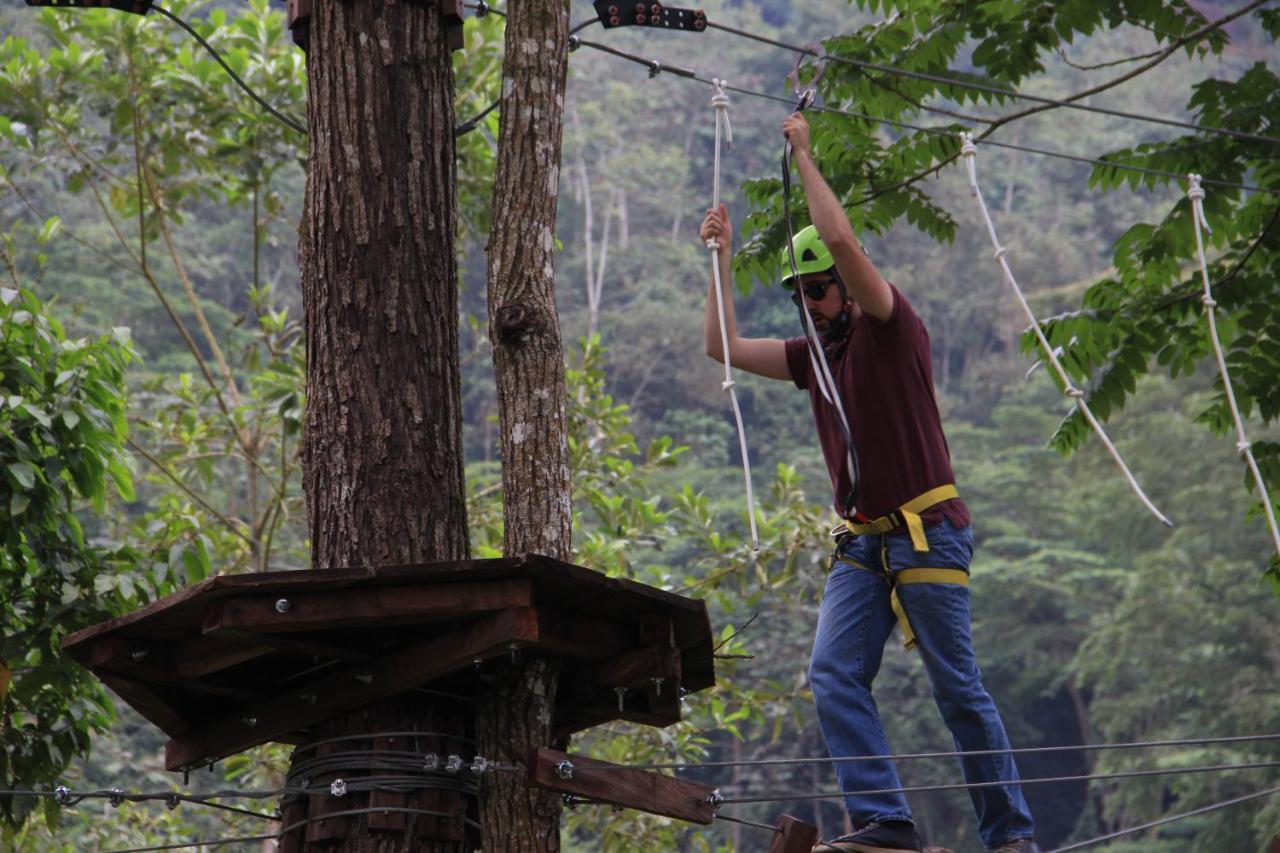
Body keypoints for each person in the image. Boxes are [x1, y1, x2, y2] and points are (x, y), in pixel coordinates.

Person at [698, 112, 1039, 853]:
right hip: (862, 542)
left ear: (846, 289)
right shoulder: (812, 355)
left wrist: (807, 158)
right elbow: (720, 345)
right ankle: (885, 820)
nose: (812, 305)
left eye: (819, 290)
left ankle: (1011, 835)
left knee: (957, 687)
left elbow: (847, 243)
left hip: (927, 531)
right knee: (831, 672)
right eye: (802, 296)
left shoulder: (891, 323)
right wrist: (720, 258)